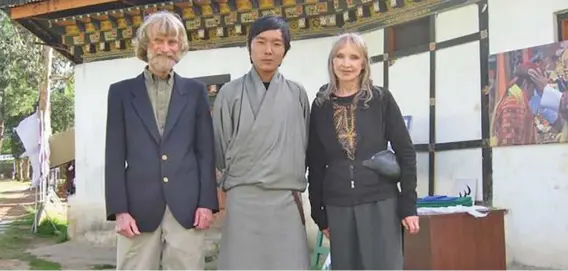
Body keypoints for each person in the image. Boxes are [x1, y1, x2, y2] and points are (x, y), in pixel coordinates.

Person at [104, 11, 218, 270]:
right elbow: (113, 155)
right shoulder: (120, 93)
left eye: (172, 42)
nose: (165, 48)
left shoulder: (196, 91)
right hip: (137, 210)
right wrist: (119, 211)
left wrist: (206, 203)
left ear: (180, 48)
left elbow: (205, 152)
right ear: (146, 45)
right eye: (158, 41)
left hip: (187, 207)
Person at [306, 33, 419, 270]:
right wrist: (319, 213)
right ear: (332, 61)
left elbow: (406, 152)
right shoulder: (320, 106)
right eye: (340, 56)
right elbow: (315, 164)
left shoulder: (381, 100)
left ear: (364, 63)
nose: (346, 64)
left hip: (381, 202)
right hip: (339, 206)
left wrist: (408, 206)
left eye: (354, 57)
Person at [212, 15, 311, 270]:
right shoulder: (229, 94)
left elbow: (303, 143)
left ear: (285, 51)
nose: (268, 50)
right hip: (243, 198)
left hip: (285, 199)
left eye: (277, 44)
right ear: (250, 47)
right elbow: (220, 149)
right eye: (261, 42)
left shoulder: (297, 93)